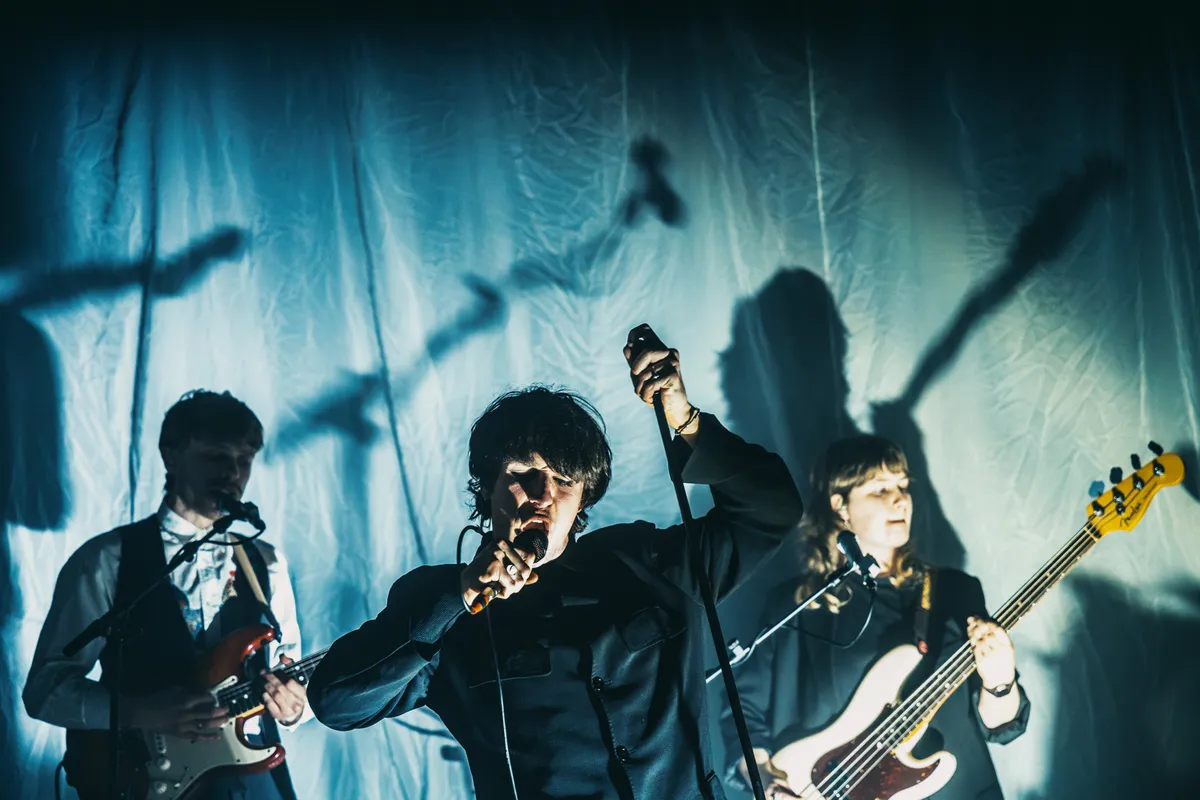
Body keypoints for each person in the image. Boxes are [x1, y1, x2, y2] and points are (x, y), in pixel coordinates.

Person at [306, 324, 806, 799]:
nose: (543, 494)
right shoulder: (446, 609)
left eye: (565, 480)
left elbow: (773, 509)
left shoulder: (650, 561)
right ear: (488, 486)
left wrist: (685, 419)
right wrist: (458, 595)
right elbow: (336, 702)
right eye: (523, 473)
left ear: (585, 496)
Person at [23, 390, 311, 799]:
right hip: (144, 781)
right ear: (171, 455)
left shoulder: (267, 561)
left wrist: (296, 707)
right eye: (216, 456)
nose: (233, 473)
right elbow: (45, 690)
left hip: (253, 782)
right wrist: (140, 712)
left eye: (244, 460)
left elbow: (292, 670)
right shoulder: (106, 559)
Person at [724, 434, 1030, 800]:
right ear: (840, 505)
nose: (900, 499)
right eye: (880, 489)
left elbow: (1002, 727)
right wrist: (766, 782)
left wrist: (1000, 682)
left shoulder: (954, 590)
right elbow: (743, 714)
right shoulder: (795, 606)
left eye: (903, 486)